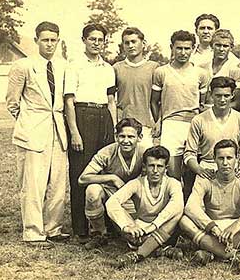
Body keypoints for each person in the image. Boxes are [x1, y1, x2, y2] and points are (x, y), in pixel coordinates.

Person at [6, 21, 68, 248]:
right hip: (33, 131)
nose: (50, 44)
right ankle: (33, 232)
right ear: (36, 41)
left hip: (58, 131)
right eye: (45, 40)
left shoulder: (63, 66)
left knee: (58, 183)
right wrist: (28, 122)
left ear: (58, 41)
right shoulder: (23, 65)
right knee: (33, 183)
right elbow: (12, 101)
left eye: (53, 40)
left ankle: (53, 228)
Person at [180, 139, 240, 267]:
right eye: (221, 158)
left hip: (237, 230)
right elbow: (191, 206)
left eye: (229, 158)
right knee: (184, 221)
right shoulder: (205, 178)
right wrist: (213, 228)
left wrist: (239, 223)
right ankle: (230, 254)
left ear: (237, 158)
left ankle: (211, 251)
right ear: (214, 159)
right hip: (212, 230)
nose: (225, 163)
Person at [64, 24, 117, 242]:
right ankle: (81, 228)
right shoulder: (74, 66)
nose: (96, 43)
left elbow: (112, 100)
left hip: (104, 115)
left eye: (100, 39)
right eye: (92, 39)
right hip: (82, 115)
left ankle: (104, 225)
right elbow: (69, 101)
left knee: (104, 169)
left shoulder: (108, 68)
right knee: (80, 173)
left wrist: (113, 129)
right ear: (84, 40)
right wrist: (75, 132)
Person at [106, 146, 184, 268]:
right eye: (151, 166)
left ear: (166, 168)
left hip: (163, 228)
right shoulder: (136, 183)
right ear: (145, 167)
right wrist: (126, 226)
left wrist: (153, 226)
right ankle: (159, 249)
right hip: (140, 231)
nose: (155, 170)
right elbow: (112, 202)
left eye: (160, 166)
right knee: (118, 212)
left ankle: (138, 254)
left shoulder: (173, 183)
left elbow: (176, 205)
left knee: (178, 212)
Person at [78, 118, 147, 250]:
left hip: (132, 197)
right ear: (116, 136)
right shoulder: (107, 152)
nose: (126, 140)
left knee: (136, 239)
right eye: (122, 136)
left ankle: (120, 230)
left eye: (131, 136)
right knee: (92, 191)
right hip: (111, 191)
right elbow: (83, 178)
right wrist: (112, 178)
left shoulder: (144, 153)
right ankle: (99, 234)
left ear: (139, 137)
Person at [150, 30, 209, 182]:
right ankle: (175, 204)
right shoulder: (161, 72)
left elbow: (202, 103)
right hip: (171, 125)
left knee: (193, 170)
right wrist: (159, 121)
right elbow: (154, 101)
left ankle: (190, 204)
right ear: (172, 48)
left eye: (187, 48)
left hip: (193, 124)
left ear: (193, 48)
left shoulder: (201, 73)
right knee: (172, 173)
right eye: (179, 48)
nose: (183, 52)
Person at [184, 76, 240, 199]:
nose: (222, 100)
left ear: (232, 95)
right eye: (218, 95)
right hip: (208, 168)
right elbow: (189, 154)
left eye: (226, 96)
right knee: (194, 207)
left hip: (234, 168)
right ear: (211, 95)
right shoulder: (199, 120)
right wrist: (200, 170)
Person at [114, 27, 160, 149]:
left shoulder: (154, 68)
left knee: (146, 162)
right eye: (126, 42)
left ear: (143, 43)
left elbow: (160, 99)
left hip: (146, 126)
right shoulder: (116, 68)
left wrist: (158, 121)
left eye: (134, 41)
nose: (130, 45)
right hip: (123, 126)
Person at [199, 29, 240, 110]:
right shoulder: (202, 67)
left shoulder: (236, 69)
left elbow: (237, 102)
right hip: (203, 113)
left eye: (225, 46)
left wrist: (214, 109)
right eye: (218, 45)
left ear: (231, 47)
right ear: (212, 46)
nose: (221, 49)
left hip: (225, 114)